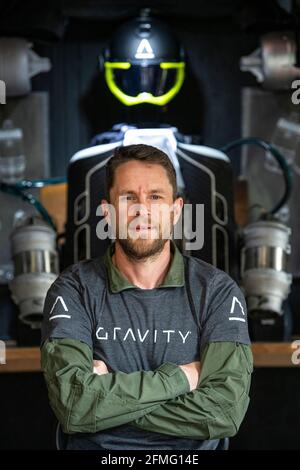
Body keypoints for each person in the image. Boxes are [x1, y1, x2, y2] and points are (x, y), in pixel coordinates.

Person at [41, 143, 253, 450]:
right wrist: (182, 378)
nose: (142, 209)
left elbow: (225, 412)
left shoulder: (217, 292)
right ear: (107, 212)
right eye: (129, 198)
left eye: (155, 197)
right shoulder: (73, 290)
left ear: (176, 210)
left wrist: (106, 402)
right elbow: (75, 405)